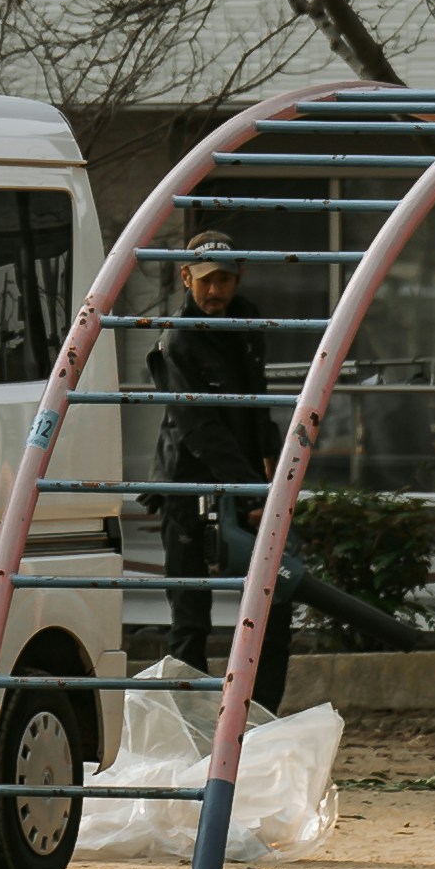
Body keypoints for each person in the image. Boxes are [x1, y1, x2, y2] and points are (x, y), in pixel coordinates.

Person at [159, 238, 297, 710]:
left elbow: (259, 407)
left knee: (272, 604)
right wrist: (251, 490)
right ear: (186, 278)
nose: (215, 290)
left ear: (238, 278)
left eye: (224, 279)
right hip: (188, 480)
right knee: (190, 613)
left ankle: (258, 715)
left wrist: (274, 474)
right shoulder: (177, 339)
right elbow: (197, 425)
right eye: (205, 281)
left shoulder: (247, 322)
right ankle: (190, 720)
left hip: (247, 480)